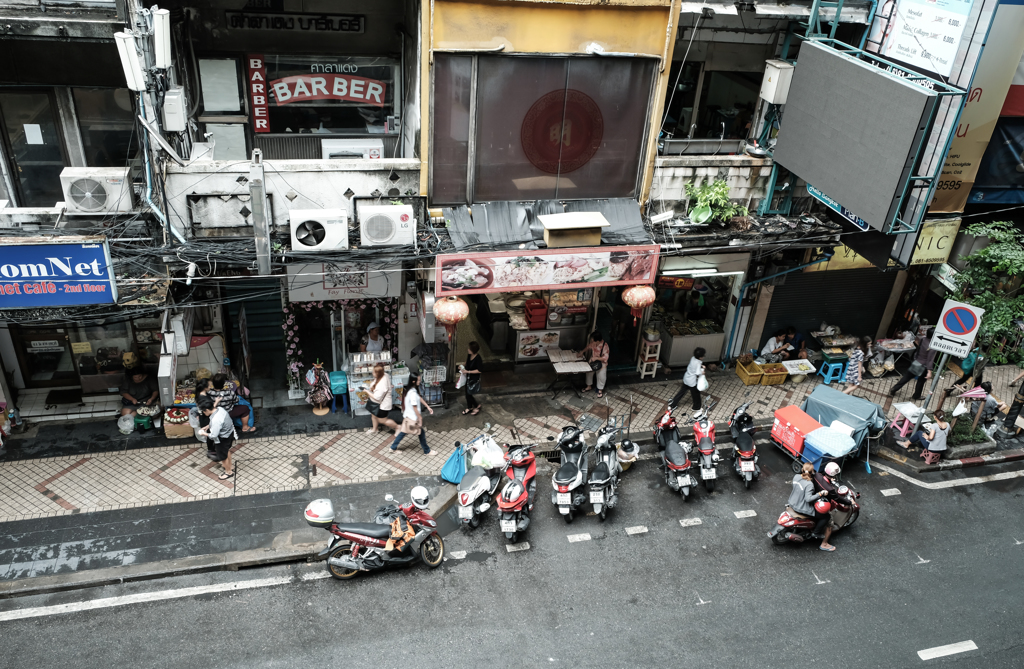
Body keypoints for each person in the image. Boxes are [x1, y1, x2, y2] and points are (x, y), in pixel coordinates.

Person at [788, 463, 834, 552]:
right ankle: (816, 533)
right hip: (801, 507)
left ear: (802, 470)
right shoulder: (809, 484)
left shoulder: (796, 476)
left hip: (792, 502)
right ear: (812, 472)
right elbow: (808, 499)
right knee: (826, 517)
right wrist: (820, 493)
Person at [390, 373, 434, 455]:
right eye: (419, 380)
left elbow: (419, 397)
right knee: (421, 433)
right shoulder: (413, 393)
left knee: (403, 432)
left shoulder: (411, 390)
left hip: (408, 417)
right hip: (412, 419)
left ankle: (392, 448)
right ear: (414, 381)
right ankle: (427, 451)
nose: (420, 381)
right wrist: (420, 418)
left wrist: (427, 406)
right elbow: (414, 407)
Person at [889, 327, 936, 400]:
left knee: (907, 377)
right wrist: (929, 371)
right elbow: (930, 359)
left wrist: (915, 358)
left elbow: (918, 349)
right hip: (923, 366)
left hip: (916, 362)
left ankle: (894, 389)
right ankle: (916, 396)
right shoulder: (932, 346)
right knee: (921, 381)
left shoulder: (923, 339)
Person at [197, 397, 235, 480]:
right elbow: (219, 423)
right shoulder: (220, 409)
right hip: (229, 434)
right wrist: (208, 426)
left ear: (207, 410)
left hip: (222, 439)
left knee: (223, 457)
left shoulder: (215, 420)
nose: (203, 413)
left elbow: (213, 435)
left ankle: (228, 472)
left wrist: (204, 433)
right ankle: (230, 466)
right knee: (226, 451)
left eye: (203, 411)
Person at [811, 462, 841, 551]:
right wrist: (849, 502)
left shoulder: (817, 475)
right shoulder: (829, 489)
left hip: (812, 497)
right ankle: (824, 544)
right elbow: (837, 498)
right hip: (818, 503)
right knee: (830, 522)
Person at [367, 363, 399, 433]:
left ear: (378, 373)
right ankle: (375, 429)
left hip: (383, 405)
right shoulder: (384, 375)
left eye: (373, 372)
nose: (372, 373)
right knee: (373, 415)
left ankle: (398, 427)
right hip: (377, 403)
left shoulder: (382, 384)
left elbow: (376, 397)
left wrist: (367, 391)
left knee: (382, 420)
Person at [582, 332, 610, 399]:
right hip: (593, 361)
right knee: (589, 372)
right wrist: (582, 352)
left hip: (602, 363)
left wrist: (597, 358)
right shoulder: (593, 343)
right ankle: (589, 386)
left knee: (601, 375)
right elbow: (588, 347)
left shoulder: (605, 346)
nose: (591, 342)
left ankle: (600, 390)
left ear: (597, 341)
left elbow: (605, 357)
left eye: (592, 340)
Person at [462, 341, 484, 415]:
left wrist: (468, 371)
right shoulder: (469, 355)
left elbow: (479, 370)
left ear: (473, 350)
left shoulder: (478, 358)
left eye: (470, 349)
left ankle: (470, 407)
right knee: (468, 392)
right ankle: (475, 405)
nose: (468, 349)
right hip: (468, 376)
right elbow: (467, 362)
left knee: (468, 393)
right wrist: (462, 366)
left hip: (474, 378)